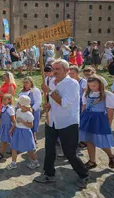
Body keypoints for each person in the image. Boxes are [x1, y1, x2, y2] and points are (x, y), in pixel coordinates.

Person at [35, 59, 89, 188]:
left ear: (66, 70)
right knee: (49, 150)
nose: (54, 71)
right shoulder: (52, 82)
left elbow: (64, 103)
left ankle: (84, 174)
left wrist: (49, 91)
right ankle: (49, 174)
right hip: (52, 120)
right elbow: (54, 101)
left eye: (57, 69)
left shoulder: (73, 84)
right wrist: (48, 105)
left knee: (69, 152)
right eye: (53, 69)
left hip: (68, 122)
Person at [80, 75, 114, 170]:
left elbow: (110, 111)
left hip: (99, 120)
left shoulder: (107, 95)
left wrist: (109, 124)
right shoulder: (86, 94)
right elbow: (84, 107)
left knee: (101, 141)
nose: (92, 88)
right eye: (90, 86)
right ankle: (92, 161)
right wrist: (82, 118)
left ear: (100, 85)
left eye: (94, 85)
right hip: (87, 119)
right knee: (89, 140)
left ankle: (111, 155)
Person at [7, 95, 39, 170]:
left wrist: (22, 121)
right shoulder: (18, 111)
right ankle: (13, 163)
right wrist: (12, 129)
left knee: (29, 149)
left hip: (25, 133)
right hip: (17, 131)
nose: (17, 103)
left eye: (18, 102)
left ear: (22, 105)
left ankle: (35, 162)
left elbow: (30, 126)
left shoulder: (29, 114)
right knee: (14, 147)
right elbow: (16, 122)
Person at [17, 77, 42, 143]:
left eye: (27, 82)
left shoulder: (35, 90)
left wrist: (31, 109)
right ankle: (23, 139)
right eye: (24, 82)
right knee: (22, 125)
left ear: (31, 83)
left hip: (32, 110)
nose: (25, 84)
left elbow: (38, 101)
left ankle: (33, 138)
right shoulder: (21, 91)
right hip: (21, 111)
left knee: (32, 124)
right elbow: (18, 101)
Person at [0, 94, 15, 159]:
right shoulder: (3, 106)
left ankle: (1, 153)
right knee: (8, 139)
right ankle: (12, 151)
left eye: (5, 99)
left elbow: (13, 120)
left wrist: (13, 128)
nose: (3, 100)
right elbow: (0, 115)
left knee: (4, 140)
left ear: (9, 100)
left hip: (8, 127)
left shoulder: (10, 109)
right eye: (3, 99)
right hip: (3, 126)